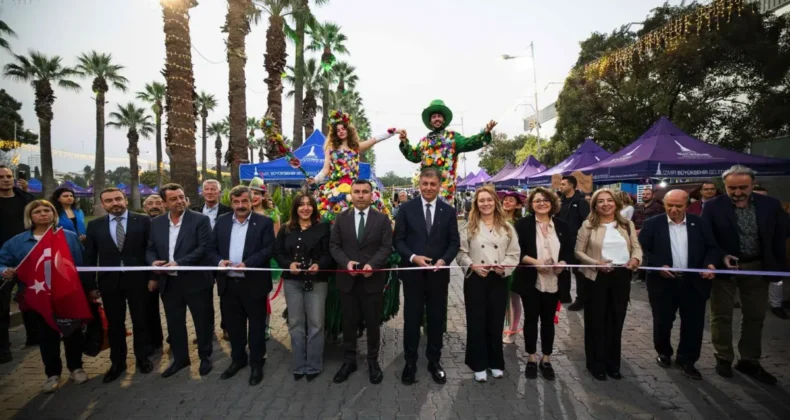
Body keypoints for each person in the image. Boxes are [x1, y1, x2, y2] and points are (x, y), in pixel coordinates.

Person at [702, 165, 788, 385]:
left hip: (757, 267)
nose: (738, 192)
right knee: (721, 315)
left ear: (753, 184)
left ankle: (749, 360)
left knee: (755, 315)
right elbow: (707, 238)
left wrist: (778, 266)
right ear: (724, 186)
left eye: (743, 187)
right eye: (732, 188)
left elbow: (780, 236)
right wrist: (721, 257)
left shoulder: (771, 205)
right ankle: (723, 357)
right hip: (725, 270)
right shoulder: (712, 206)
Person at [0, 200, 89, 393]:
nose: (43, 214)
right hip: (38, 296)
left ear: (54, 213)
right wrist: (4, 270)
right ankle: (52, 374)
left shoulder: (69, 236)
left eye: (47, 210)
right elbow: (2, 262)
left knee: (72, 333)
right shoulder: (17, 242)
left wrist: (88, 290)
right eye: (37, 211)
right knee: (47, 336)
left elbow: (80, 263)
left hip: (67, 295)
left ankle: (76, 368)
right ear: (30, 217)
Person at [638, 189, 720, 380]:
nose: (673, 210)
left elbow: (713, 248)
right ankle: (664, 352)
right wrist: (658, 266)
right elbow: (643, 250)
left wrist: (710, 264)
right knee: (662, 321)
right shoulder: (652, 224)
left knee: (693, 323)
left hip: (694, 283)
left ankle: (687, 359)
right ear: (664, 204)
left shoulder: (700, 223)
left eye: (678, 206)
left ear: (687, 205)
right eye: (670, 205)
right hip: (663, 283)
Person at [394, 167, 460, 385]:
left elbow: (454, 242)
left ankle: (434, 361)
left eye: (433, 184)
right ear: (419, 184)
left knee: (436, 320)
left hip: (438, 277)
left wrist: (444, 260)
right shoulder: (406, 209)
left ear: (440, 186)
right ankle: (410, 363)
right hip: (413, 276)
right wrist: (413, 257)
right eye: (425, 183)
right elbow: (398, 240)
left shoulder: (448, 211)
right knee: (412, 320)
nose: (428, 188)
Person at [81, 187, 154, 383]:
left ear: (125, 200)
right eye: (109, 200)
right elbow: (89, 257)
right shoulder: (95, 225)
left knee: (141, 320)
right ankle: (117, 363)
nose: (115, 203)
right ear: (103, 204)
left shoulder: (143, 220)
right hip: (109, 283)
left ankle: (142, 358)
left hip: (139, 280)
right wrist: (90, 286)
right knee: (115, 324)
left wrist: (153, 277)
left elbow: (151, 250)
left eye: (118, 199)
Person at [146, 183, 214, 378]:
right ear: (164, 203)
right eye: (174, 199)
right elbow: (150, 248)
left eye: (182, 197)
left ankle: (205, 357)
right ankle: (181, 358)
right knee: (174, 323)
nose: (180, 201)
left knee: (202, 321)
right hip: (169, 283)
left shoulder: (200, 220)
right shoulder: (157, 222)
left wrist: (179, 263)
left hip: (195, 280)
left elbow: (204, 248)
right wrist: (153, 262)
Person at [209, 186, 274, 386]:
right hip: (228, 284)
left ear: (251, 201)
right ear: (231, 203)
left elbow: (269, 249)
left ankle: (257, 363)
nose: (240, 206)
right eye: (236, 202)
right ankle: (238, 359)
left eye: (244, 201)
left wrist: (248, 264)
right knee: (234, 327)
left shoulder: (264, 222)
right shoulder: (221, 222)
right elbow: (210, 249)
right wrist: (220, 262)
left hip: (253, 284)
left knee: (256, 327)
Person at [329, 180, 392, 384]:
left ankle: (373, 361)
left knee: (373, 323)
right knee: (349, 323)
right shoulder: (341, 218)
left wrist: (372, 265)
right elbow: (334, 245)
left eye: (365, 191)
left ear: (371, 195)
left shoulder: (382, 219)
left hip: (371, 281)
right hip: (347, 281)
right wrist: (346, 263)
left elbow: (386, 247)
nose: (361, 195)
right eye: (357, 191)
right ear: (351, 195)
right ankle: (349, 361)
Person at [575, 188, 642, 381]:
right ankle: (596, 364)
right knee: (596, 321)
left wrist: (636, 259)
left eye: (609, 200)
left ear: (616, 203)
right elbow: (578, 252)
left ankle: (613, 365)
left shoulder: (626, 224)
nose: (606, 204)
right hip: (596, 277)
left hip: (621, 277)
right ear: (595, 205)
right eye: (601, 201)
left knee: (616, 320)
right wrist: (596, 263)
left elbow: (636, 247)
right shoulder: (588, 225)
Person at [457, 185, 520, 382]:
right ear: (476, 204)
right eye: (481, 200)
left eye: (489, 200)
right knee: (476, 321)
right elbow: (461, 253)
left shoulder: (507, 227)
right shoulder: (468, 227)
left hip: (498, 279)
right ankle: (478, 363)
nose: (485, 203)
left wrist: (505, 267)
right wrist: (472, 265)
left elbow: (514, 253)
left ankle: (495, 362)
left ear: (495, 202)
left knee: (495, 320)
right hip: (476, 279)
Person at [513, 187, 574, 381]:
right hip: (531, 280)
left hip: (554, 280)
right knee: (531, 319)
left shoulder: (562, 225)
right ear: (531, 204)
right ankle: (531, 357)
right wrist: (535, 262)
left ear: (552, 203)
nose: (541, 203)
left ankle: (546, 359)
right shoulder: (522, 225)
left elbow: (569, 250)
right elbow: (516, 251)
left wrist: (562, 263)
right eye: (537, 200)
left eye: (545, 200)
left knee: (548, 321)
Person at [275, 192, 333, 382]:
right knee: (296, 323)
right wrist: (288, 264)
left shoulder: (323, 227)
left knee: (316, 324)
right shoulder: (286, 229)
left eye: (309, 204)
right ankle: (299, 364)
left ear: (314, 208)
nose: (305, 208)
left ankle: (314, 364)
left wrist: (319, 265)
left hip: (317, 282)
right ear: (296, 208)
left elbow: (329, 253)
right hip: (292, 282)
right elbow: (278, 252)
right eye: (301, 204)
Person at [398, 100, 496, 202]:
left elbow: (469, 143)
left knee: (444, 211)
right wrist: (404, 141)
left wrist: (485, 133)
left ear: (444, 120)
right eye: (434, 117)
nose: (437, 119)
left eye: (439, 116)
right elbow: (414, 156)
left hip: (445, 193)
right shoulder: (424, 141)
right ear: (430, 121)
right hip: (427, 192)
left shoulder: (453, 138)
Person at [309, 110, 397, 221]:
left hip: (355, 186)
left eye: (343, 129)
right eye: (338, 130)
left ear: (348, 130)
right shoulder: (330, 148)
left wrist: (394, 132)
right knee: (328, 216)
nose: (341, 132)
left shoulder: (356, 147)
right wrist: (315, 179)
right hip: (335, 188)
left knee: (373, 209)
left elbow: (374, 140)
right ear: (334, 133)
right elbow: (325, 170)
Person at [0, 165, 35, 363]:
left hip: (27, 254)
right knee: (2, 305)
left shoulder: (25, 199)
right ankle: (3, 348)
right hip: (3, 260)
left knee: (30, 297)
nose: (6, 179)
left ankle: (34, 335)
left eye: (8, 176)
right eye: (1, 177)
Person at [192, 179, 232, 340]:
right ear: (202, 192)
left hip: (222, 258)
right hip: (201, 260)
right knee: (203, 298)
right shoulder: (193, 211)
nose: (210, 192)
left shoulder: (229, 211)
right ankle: (206, 330)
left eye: (213, 189)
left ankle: (227, 327)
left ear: (219, 193)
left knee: (226, 295)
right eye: (207, 189)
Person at [751, 186, 787, 319]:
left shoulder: (775, 209)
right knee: (750, 282)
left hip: (772, 252)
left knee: (775, 280)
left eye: (763, 196)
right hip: (749, 255)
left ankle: (776, 305)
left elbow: (785, 228)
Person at [557, 176, 590, 311]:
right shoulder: (561, 201)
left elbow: (587, 221)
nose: (560, 186)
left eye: (563, 184)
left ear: (571, 185)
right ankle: (564, 295)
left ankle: (581, 299)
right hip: (562, 241)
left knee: (578, 271)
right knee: (563, 269)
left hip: (577, 241)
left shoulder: (581, 202)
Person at [499, 191, 525, 345]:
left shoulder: (520, 223)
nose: (507, 202)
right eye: (505, 200)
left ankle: (513, 330)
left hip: (515, 266)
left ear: (518, 205)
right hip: (498, 264)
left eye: (511, 200)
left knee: (514, 299)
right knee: (501, 299)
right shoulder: (496, 219)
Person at [141, 195, 165, 351]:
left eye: (158, 202)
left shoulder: (171, 221)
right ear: (145, 208)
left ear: (164, 205)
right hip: (148, 274)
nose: (154, 206)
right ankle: (155, 341)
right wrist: (153, 276)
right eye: (150, 203)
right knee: (150, 309)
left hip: (172, 273)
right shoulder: (141, 223)